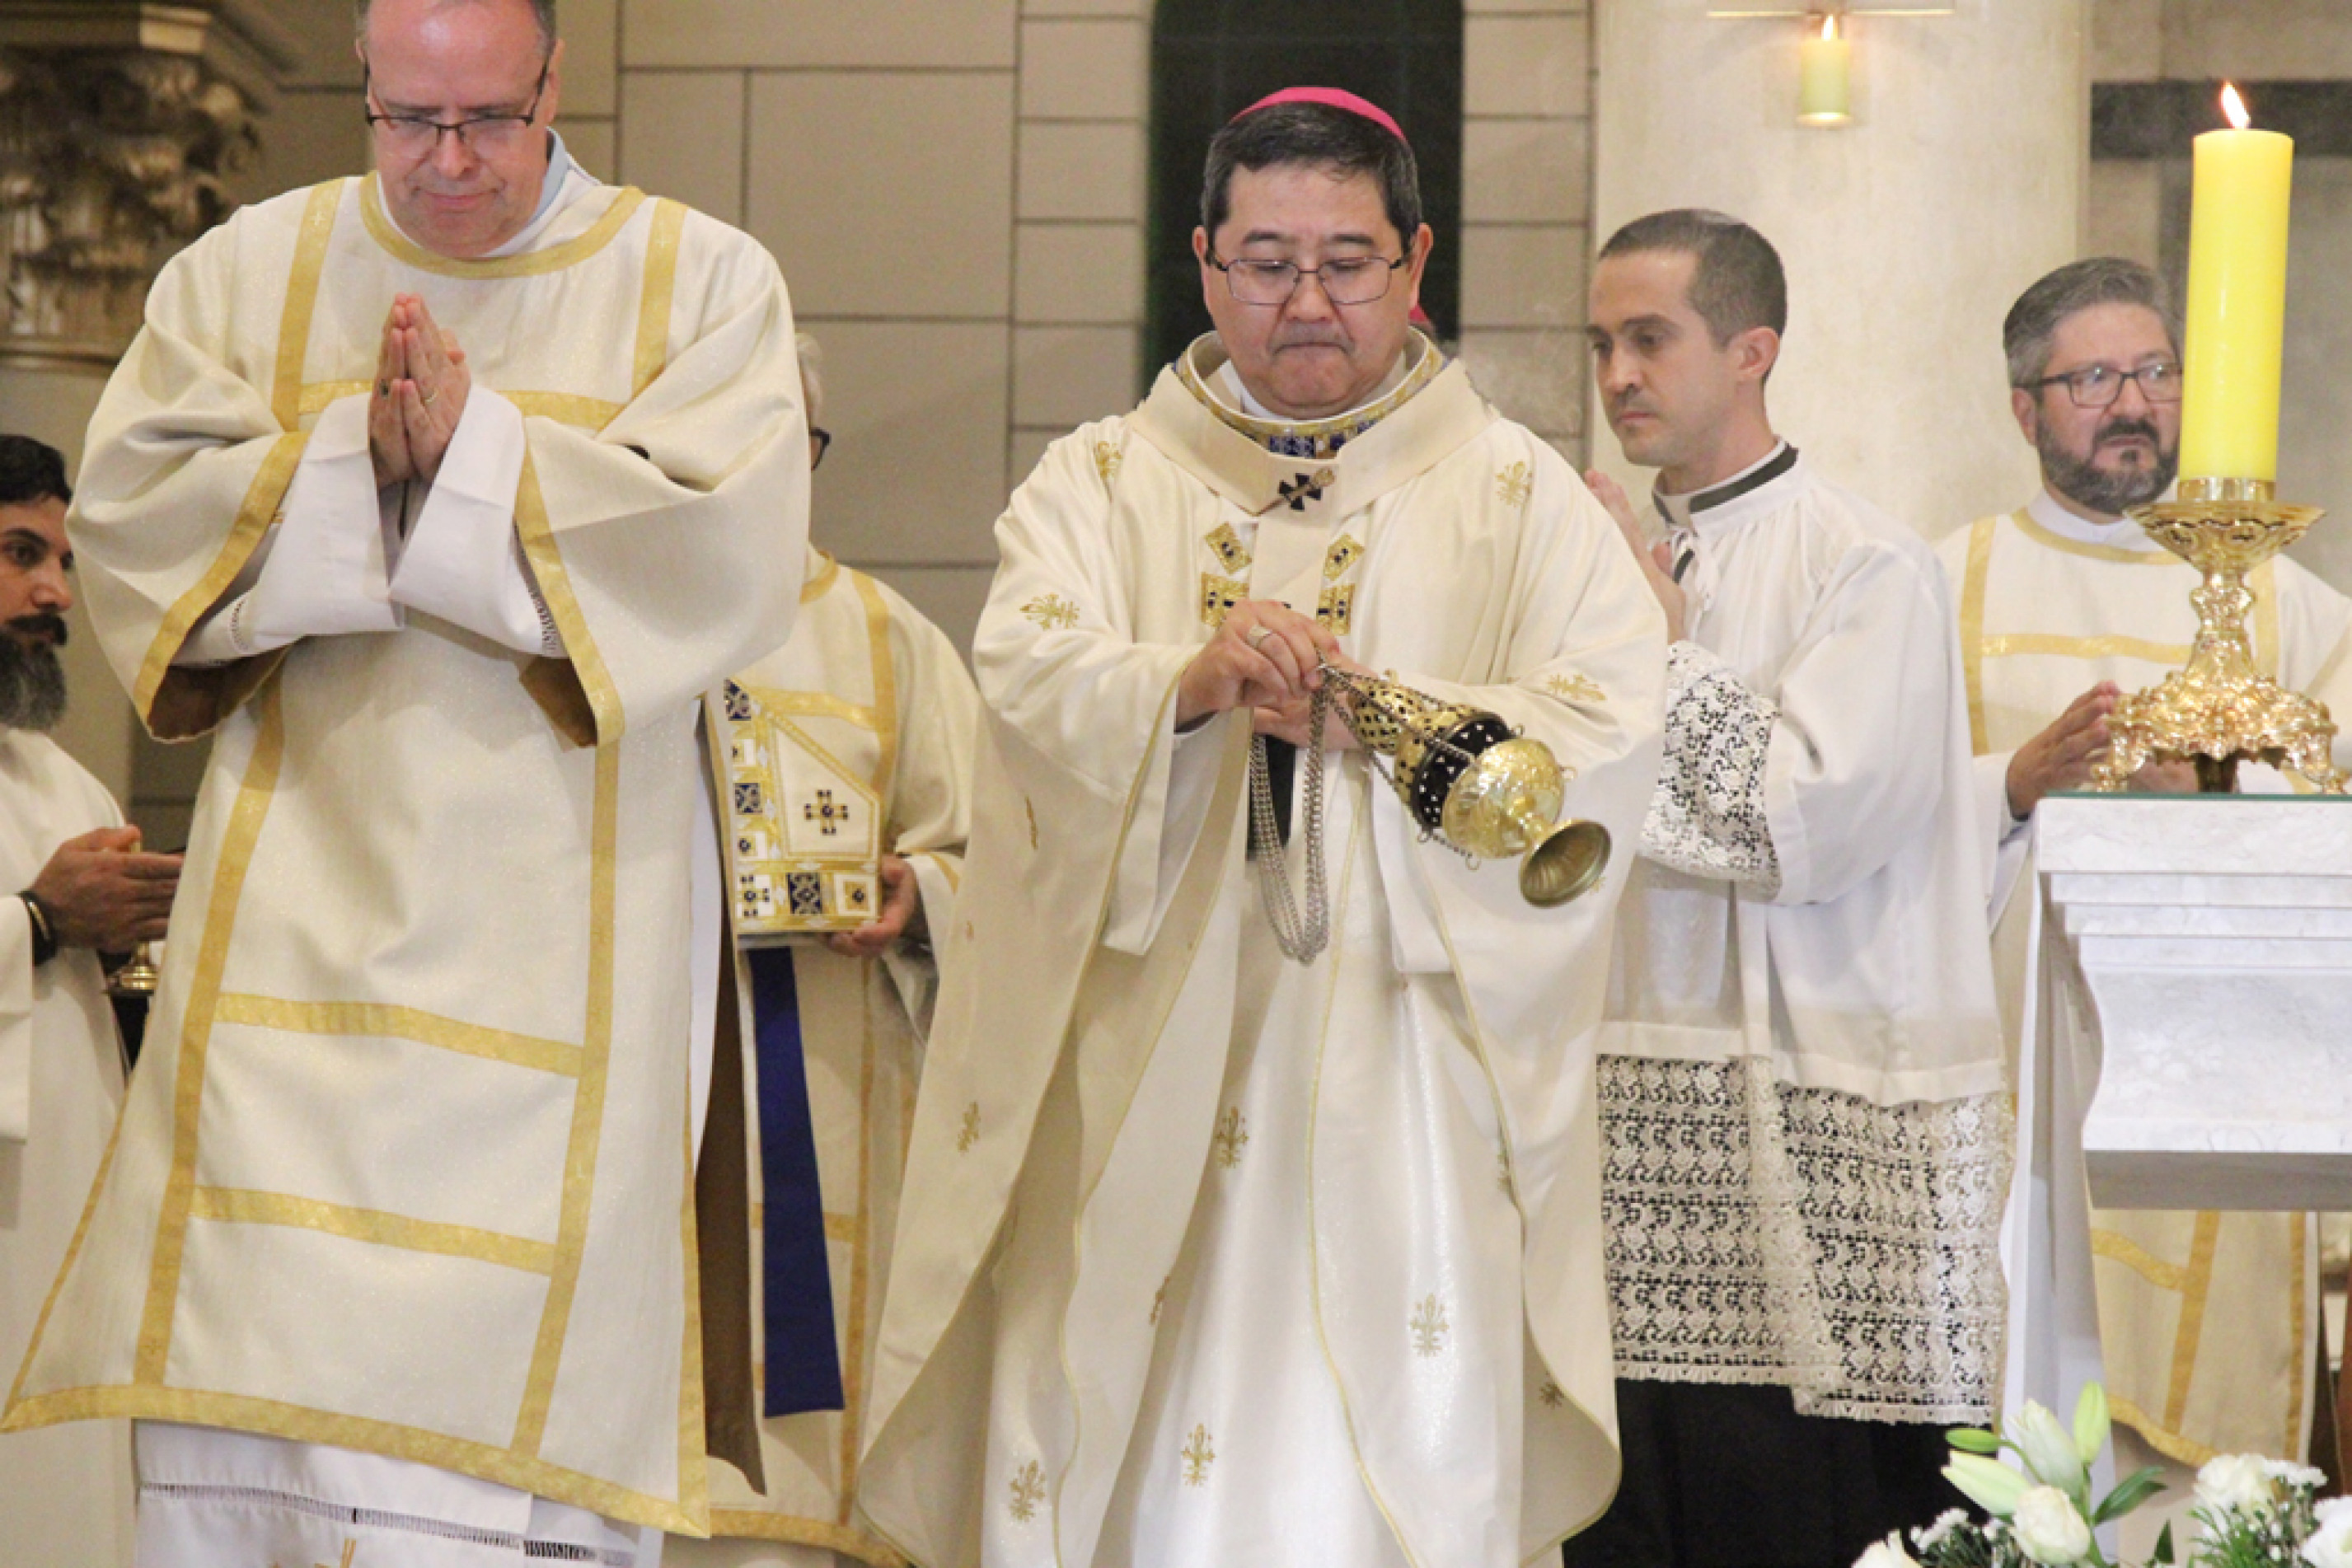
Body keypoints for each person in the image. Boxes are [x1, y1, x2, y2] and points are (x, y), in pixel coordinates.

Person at [2, 0, 808, 1561]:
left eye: (490, 121)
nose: (447, 163)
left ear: (555, 86)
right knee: (253, 1434)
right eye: (406, 121)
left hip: (572, 976)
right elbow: (139, 513)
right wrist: (350, 460)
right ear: (365, 92)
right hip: (291, 949)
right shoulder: (247, 270)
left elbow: (721, 561)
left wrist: (477, 456)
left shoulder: (701, 281)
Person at [856, 88, 1666, 1568]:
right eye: (1267, 259)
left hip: (1408, 1058)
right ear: (1205, 264)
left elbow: (1613, 724)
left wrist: (1387, 718)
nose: (1307, 299)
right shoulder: (1103, 479)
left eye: (1347, 261)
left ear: (1416, 263)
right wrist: (1185, 682)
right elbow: (1028, 668)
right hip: (1145, 1038)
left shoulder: (1514, 492)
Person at [1568, 209, 2004, 1568]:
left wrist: (1654, 650)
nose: (1617, 375)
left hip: (1818, 1131)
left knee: (1802, 1514)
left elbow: (1797, 828)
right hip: (1630, 1111)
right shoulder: (1606, 572)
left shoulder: (1865, 565)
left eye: (1650, 338)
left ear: (1750, 350)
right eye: (1600, 344)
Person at [1937, 257, 2352, 1501]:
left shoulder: (2282, 603)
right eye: (2093, 379)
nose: (2133, 404)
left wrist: (2219, 806)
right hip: (2013, 1064)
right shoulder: (1942, 583)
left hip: (2211, 1086)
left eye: (2156, 373)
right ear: (2024, 409)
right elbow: (1882, 830)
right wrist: (2013, 782)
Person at [672, 335, 979, 1568]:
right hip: (632, 1068)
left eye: (788, 448)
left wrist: (923, 894)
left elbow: (1001, 873)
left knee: (800, 1498)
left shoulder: (884, 638)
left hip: (825, 1078)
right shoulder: (582, 630)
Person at [0, 435, 179, 1568]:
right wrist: (39, 920)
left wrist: (132, 945)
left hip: (61, 1225)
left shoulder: (61, 782)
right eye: (21, 553)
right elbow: (37, 921)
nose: (55, 592)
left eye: (61, 560)